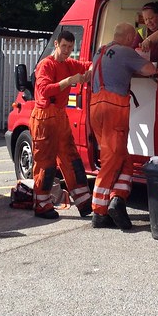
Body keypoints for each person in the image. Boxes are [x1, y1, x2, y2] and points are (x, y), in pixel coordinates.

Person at [89, 22, 157, 229]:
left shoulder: (100, 52)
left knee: (122, 158)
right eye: (133, 38)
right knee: (111, 160)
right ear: (128, 38)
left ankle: (117, 199)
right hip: (114, 109)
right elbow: (150, 69)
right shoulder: (125, 52)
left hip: (95, 108)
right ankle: (99, 212)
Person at [29, 30, 93, 219]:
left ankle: (84, 202)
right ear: (56, 44)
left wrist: (89, 72)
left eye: (70, 48)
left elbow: (89, 64)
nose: (67, 50)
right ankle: (42, 204)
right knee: (45, 162)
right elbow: (44, 90)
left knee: (71, 158)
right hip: (44, 117)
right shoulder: (46, 65)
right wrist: (68, 81)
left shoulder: (69, 63)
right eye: (64, 46)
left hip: (59, 116)